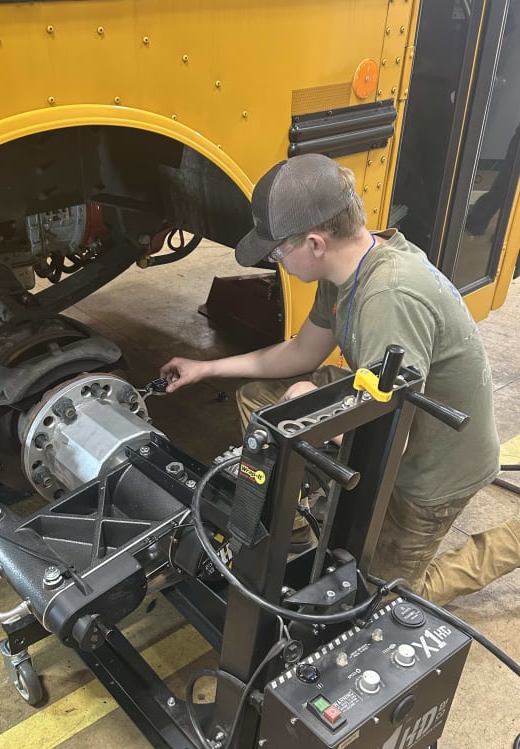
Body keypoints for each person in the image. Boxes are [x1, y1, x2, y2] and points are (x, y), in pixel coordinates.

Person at [160, 153, 518, 603]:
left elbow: (392, 443)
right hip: (394, 410)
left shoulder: (389, 297)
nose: (276, 262)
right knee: (263, 402)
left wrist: (314, 412)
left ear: (315, 243)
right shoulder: (345, 268)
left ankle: (513, 541)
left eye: (277, 252)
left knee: (378, 598)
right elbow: (302, 352)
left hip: (434, 466)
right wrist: (206, 368)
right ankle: (294, 532)